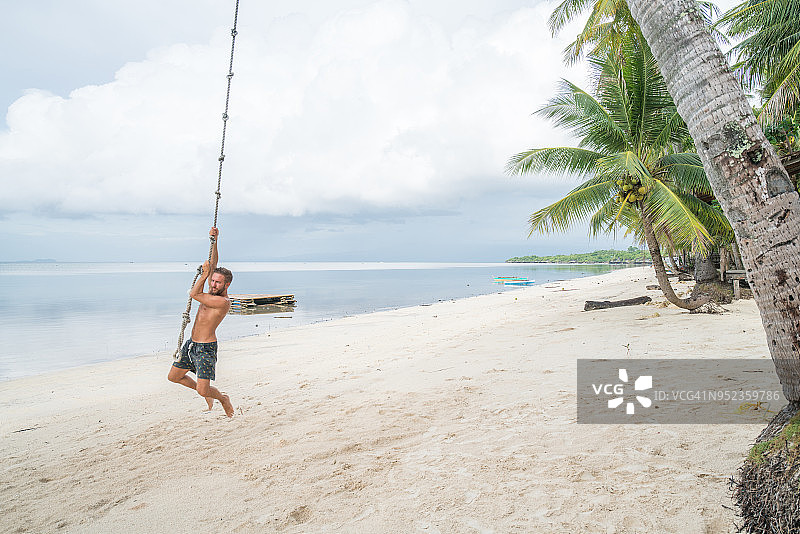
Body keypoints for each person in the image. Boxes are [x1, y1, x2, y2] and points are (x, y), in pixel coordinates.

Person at [168, 227, 235, 417]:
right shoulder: (211, 292)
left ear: (226, 285)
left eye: (217, 283)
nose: (213, 284)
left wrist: (204, 275)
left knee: (203, 389)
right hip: (192, 345)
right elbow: (213, 264)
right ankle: (205, 392)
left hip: (206, 348)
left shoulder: (222, 302)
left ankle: (222, 398)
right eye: (212, 281)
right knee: (174, 377)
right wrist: (215, 240)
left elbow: (194, 293)